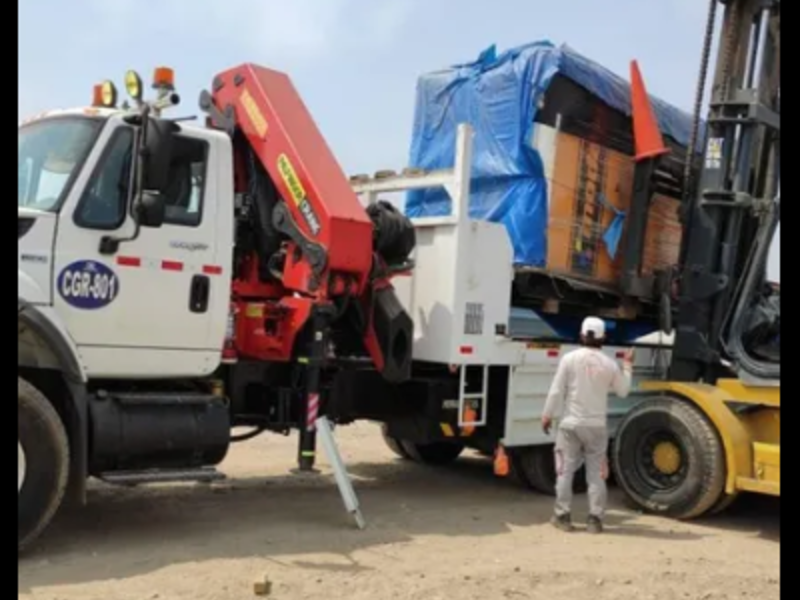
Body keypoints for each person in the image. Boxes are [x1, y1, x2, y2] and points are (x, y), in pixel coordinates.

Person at [541, 316, 633, 533]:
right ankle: (595, 520)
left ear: (582, 335)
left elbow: (556, 390)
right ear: (604, 337)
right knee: (596, 474)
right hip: (596, 427)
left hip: (570, 425)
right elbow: (623, 391)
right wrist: (628, 365)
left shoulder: (569, 359)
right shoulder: (609, 363)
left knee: (564, 471)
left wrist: (547, 415)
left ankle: (562, 516)